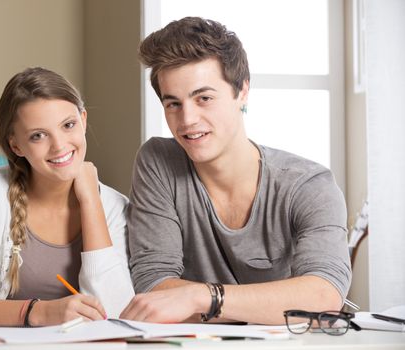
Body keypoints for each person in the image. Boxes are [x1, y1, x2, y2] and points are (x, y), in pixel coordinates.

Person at [120, 17, 351, 325]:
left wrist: (199, 297)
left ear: (242, 91)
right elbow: (153, 286)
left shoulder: (310, 185)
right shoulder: (158, 162)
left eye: (204, 98)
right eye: (173, 103)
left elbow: (323, 297)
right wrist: (270, 305)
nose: (187, 119)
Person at [0, 67, 134, 326]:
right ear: (16, 145)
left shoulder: (115, 206)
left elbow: (115, 313)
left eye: (68, 125)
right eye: (38, 135)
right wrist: (36, 312)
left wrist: (91, 200)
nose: (59, 146)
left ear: (83, 120)